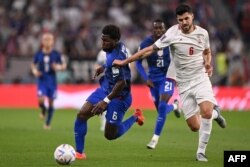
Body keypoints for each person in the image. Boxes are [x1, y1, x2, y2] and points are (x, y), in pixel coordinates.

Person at [113, 4, 226, 162]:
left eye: (186, 18)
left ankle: (201, 152)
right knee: (194, 126)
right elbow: (148, 50)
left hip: (201, 79)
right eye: (181, 20)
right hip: (184, 84)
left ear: (192, 16)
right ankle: (216, 114)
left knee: (205, 111)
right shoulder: (172, 33)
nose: (184, 22)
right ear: (177, 20)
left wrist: (208, 63)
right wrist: (126, 61)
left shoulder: (203, 33)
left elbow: (207, 52)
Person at [74, 24, 145, 160]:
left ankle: (136, 116)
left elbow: (121, 82)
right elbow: (111, 63)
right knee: (82, 114)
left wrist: (105, 101)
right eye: (102, 40)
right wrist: (103, 67)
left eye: (106, 41)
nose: (103, 43)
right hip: (106, 88)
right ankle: (79, 153)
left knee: (110, 135)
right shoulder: (118, 46)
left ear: (115, 40)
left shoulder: (115, 58)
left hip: (120, 97)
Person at [135, 19, 181, 149]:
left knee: (161, 107)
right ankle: (175, 106)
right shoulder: (146, 43)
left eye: (161, 28)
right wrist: (145, 78)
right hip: (153, 81)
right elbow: (138, 62)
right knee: (161, 110)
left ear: (165, 30)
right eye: (156, 28)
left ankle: (154, 139)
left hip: (167, 78)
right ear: (152, 30)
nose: (159, 31)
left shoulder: (171, 41)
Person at [31, 32, 66, 130]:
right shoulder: (38, 54)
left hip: (52, 81)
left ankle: (47, 123)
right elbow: (33, 65)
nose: (47, 41)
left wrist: (58, 67)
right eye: (45, 39)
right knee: (40, 99)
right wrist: (35, 71)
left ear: (52, 41)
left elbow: (64, 66)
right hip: (42, 80)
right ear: (42, 41)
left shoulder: (56, 54)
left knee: (51, 102)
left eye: (49, 39)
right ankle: (43, 109)